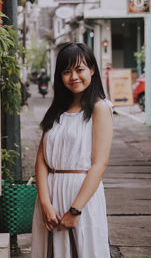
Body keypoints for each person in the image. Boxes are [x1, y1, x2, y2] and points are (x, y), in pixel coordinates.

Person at [31, 42, 113, 258]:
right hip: (51, 197)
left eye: (79, 69)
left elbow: (99, 163)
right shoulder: (57, 110)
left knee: (84, 250)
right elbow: (41, 161)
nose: (73, 76)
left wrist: (75, 210)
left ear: (92, 70)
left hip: (81, 197)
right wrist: (45, 203)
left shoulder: (100, 108)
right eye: (66, 71)